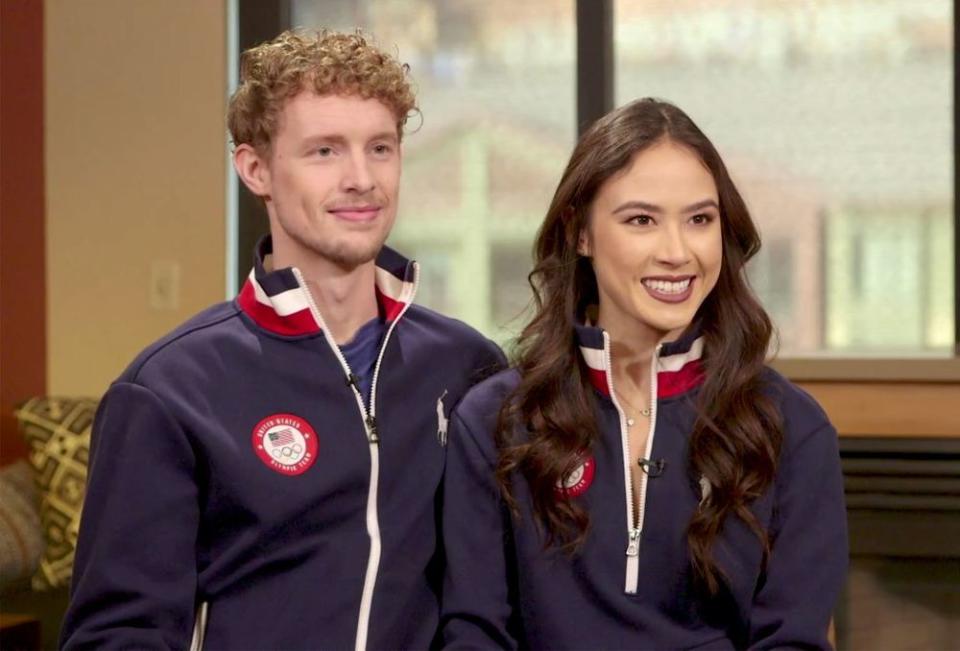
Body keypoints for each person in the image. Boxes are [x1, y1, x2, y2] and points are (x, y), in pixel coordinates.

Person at [61, 29, 503, 650]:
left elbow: (488, 602)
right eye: (324, 151)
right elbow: (117, 637)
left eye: (380, 148)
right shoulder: (168, 390)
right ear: (255, 169)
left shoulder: (468, 369)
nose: (361, 179)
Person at [441, 98, 848, 650]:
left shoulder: (793, 429)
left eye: (700, 220)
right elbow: (476, 634)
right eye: (641, 220)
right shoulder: (495, 421)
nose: (678, 252)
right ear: (579, 233)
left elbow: (793, 640)